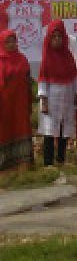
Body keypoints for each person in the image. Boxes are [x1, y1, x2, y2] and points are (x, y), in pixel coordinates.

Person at [36, 20, 77, 166]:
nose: (57, 40)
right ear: (48, 38)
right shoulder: (46, 58)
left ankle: (61, 159)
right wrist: (43, 101)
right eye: (53, 37)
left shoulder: (68, 57)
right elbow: (42, 81)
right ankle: (48, 162)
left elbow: (74, 77)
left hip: (67, 97)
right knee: (49, 130)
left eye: (59, 36)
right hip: (51, 99)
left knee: (64, 130)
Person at [0, 29, 34, 171]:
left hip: (21, 102)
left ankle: (23, 165)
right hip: (5, 103)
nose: (11, 44)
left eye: (13, 41)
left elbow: (28, 79)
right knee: (5, 130)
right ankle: (5, 166)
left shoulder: (22, 58)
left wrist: (29, 99)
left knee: (22, 128)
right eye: (7, 42)